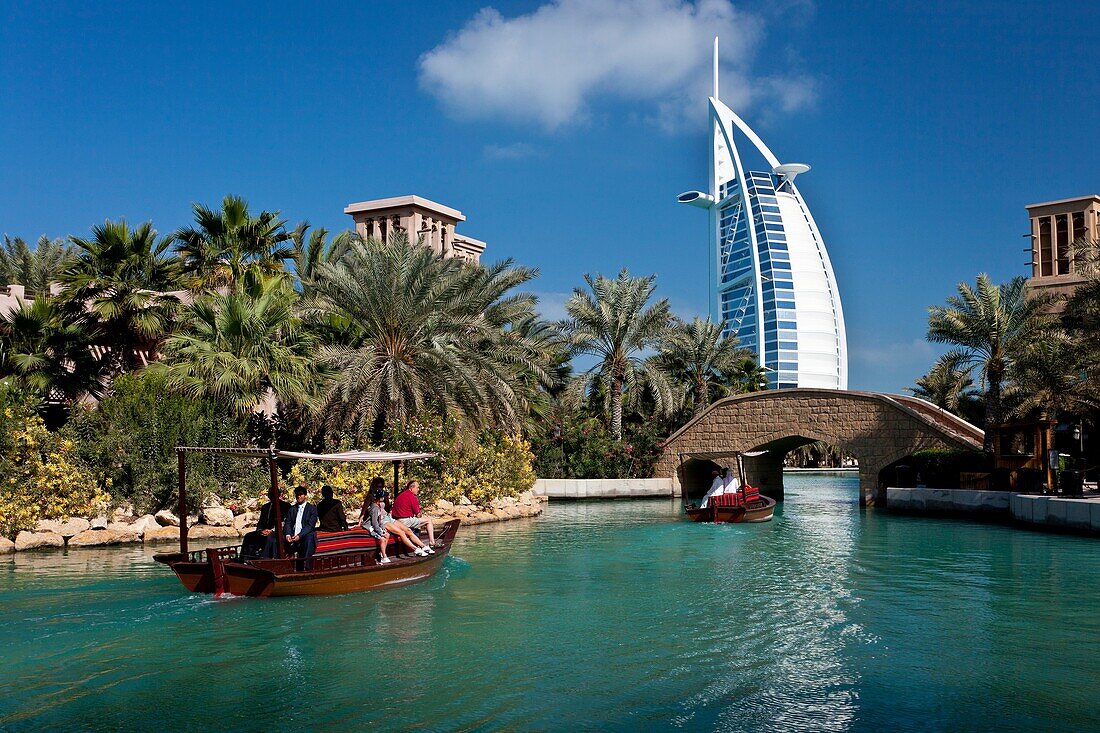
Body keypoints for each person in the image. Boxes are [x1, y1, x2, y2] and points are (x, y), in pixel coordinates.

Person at [364, 487, 432, 564]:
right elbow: (375, 522)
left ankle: (423, 546)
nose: (385, 497)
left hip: (388, 518)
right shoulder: (374, 508)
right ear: (379, 498)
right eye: (383, 496)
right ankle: (415, 549)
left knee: (408, 530)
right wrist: (380, 531)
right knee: (401, 533)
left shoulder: (380, 504)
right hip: (383, 522)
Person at [241, 488, 292, 559]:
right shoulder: (265, 507)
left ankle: (264, 559)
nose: (271, 496)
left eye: (273, 494)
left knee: (270, 538)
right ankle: (245, 558)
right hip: (264, 531)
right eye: (270, 494)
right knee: (248, 536)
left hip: (278, 532)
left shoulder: (285, 506)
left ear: (279, 495)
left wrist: (272, 530)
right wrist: (260, 530)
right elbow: (261, 522)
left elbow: (285, 522)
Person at [391, 479, 439, 547]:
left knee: (418, 522)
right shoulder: (412, 497)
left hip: (396, 522)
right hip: (405, 521)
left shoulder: (400, 495)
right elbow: (418, 515)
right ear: (411, 488)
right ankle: (432, 542)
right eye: (417, 487)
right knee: (428, 520)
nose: (418, 489)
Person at [283, 485, 319, 570]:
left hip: (305, 534)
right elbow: (287, 523)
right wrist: (288, 534)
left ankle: (306, 566)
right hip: (293, 534)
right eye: (297, 495)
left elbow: (310, 526)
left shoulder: (312, 509)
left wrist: (300, 535)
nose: (299, 496)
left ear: (305, 495)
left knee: (309, 538)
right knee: (277, 538)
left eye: (301, 494)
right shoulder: (292, 509)